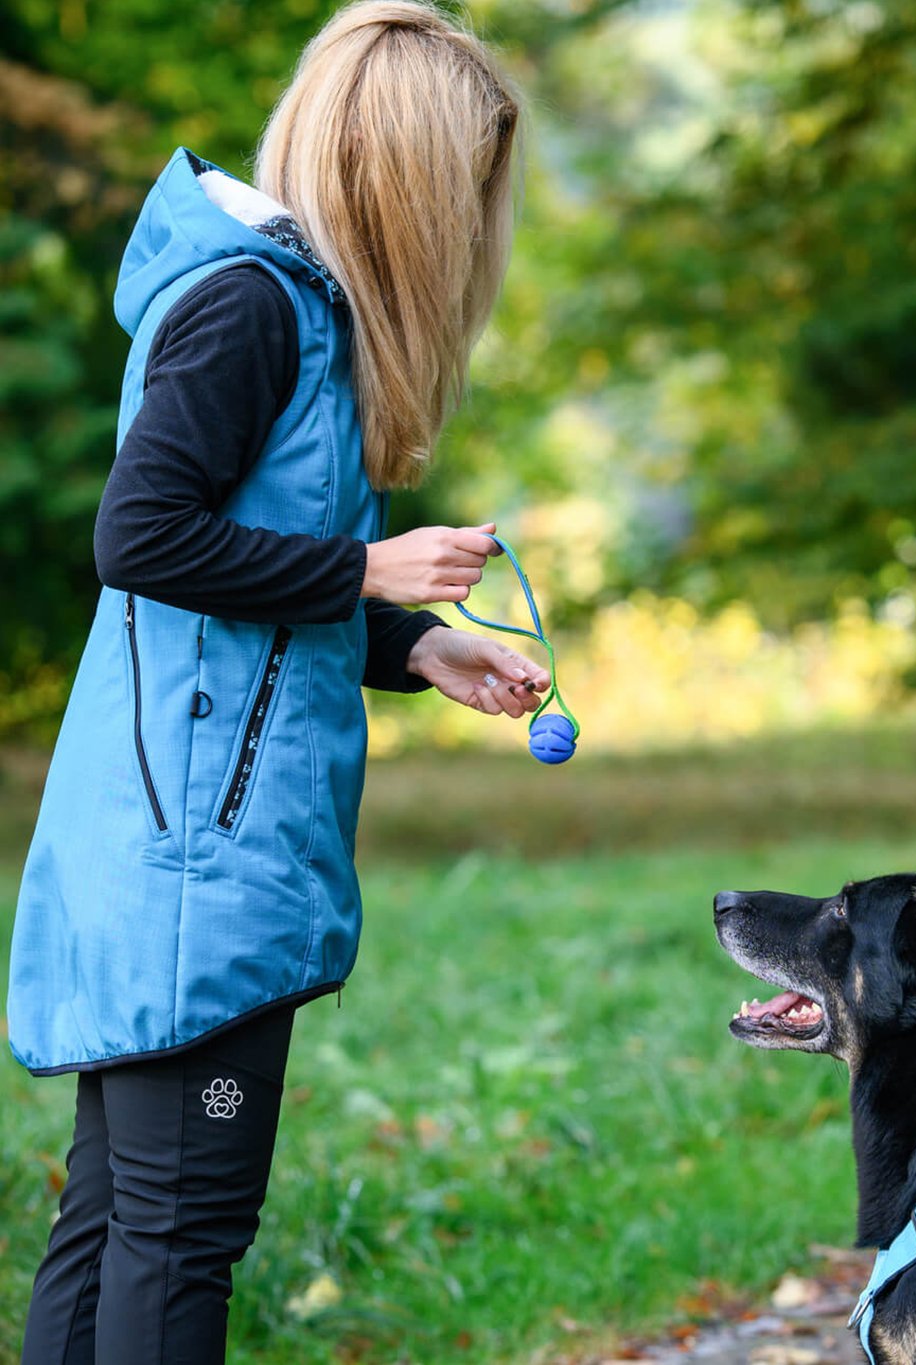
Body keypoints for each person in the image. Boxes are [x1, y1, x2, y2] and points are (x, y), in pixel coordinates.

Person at [7, 4, 549, 1361]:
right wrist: (373, 571)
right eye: (468, 189)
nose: (476, 224)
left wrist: (418, 643)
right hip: (197, 855)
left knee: (126, 1218)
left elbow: (242, 581)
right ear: (408, 181)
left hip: (193, 840)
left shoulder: (294, 315)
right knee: (181, 1226)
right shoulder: (251, 305)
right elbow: (142, 538)